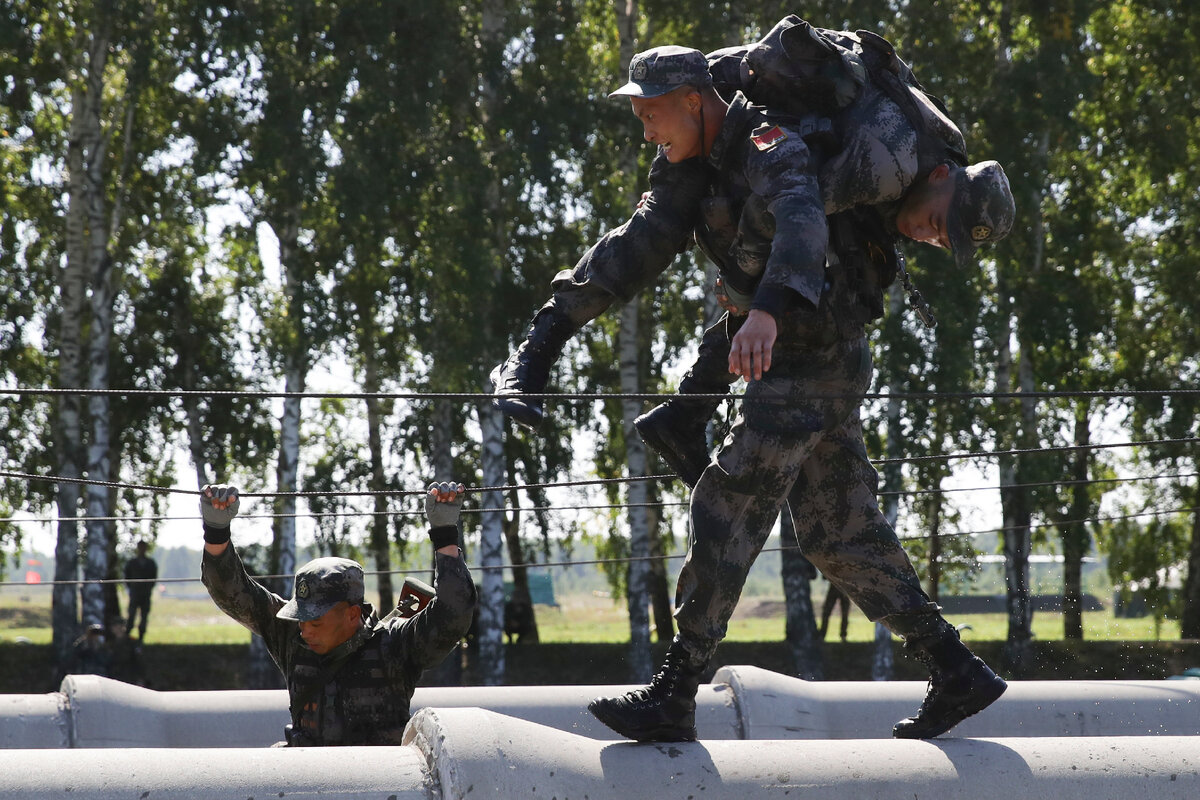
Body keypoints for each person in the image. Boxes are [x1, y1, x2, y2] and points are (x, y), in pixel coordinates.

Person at [500, 42, 1011, 743]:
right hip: (821, 352)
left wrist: (758, 301)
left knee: (727, 505)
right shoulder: (692, 162)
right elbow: (633, 247)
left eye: (651, 115)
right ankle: (955, 669)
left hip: (808, 345)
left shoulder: (776, 143)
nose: (646, 131)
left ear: (691, 102)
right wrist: (541, 346)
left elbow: (797, 212)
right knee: (839, 533)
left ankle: (676, 694)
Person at [199, 481, 476, 746]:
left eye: (316, 621)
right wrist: (216, 532)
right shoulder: (291, 635)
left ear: (352, 615)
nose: (305, 631)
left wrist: (444, 535)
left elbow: (454, 615)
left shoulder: (396, 645)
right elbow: (233, 593)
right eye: (301, 618)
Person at [124, 540, 158, 640]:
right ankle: (127, 637)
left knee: (144, 617)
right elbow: (127, 577)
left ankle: (141, 638)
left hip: (145, 594)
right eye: (140, 547)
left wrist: (147, 588)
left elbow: (154, 578)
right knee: (131, 616)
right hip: (134, 594)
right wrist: (132, 587)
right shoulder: (132, 563)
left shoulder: (150, 563)